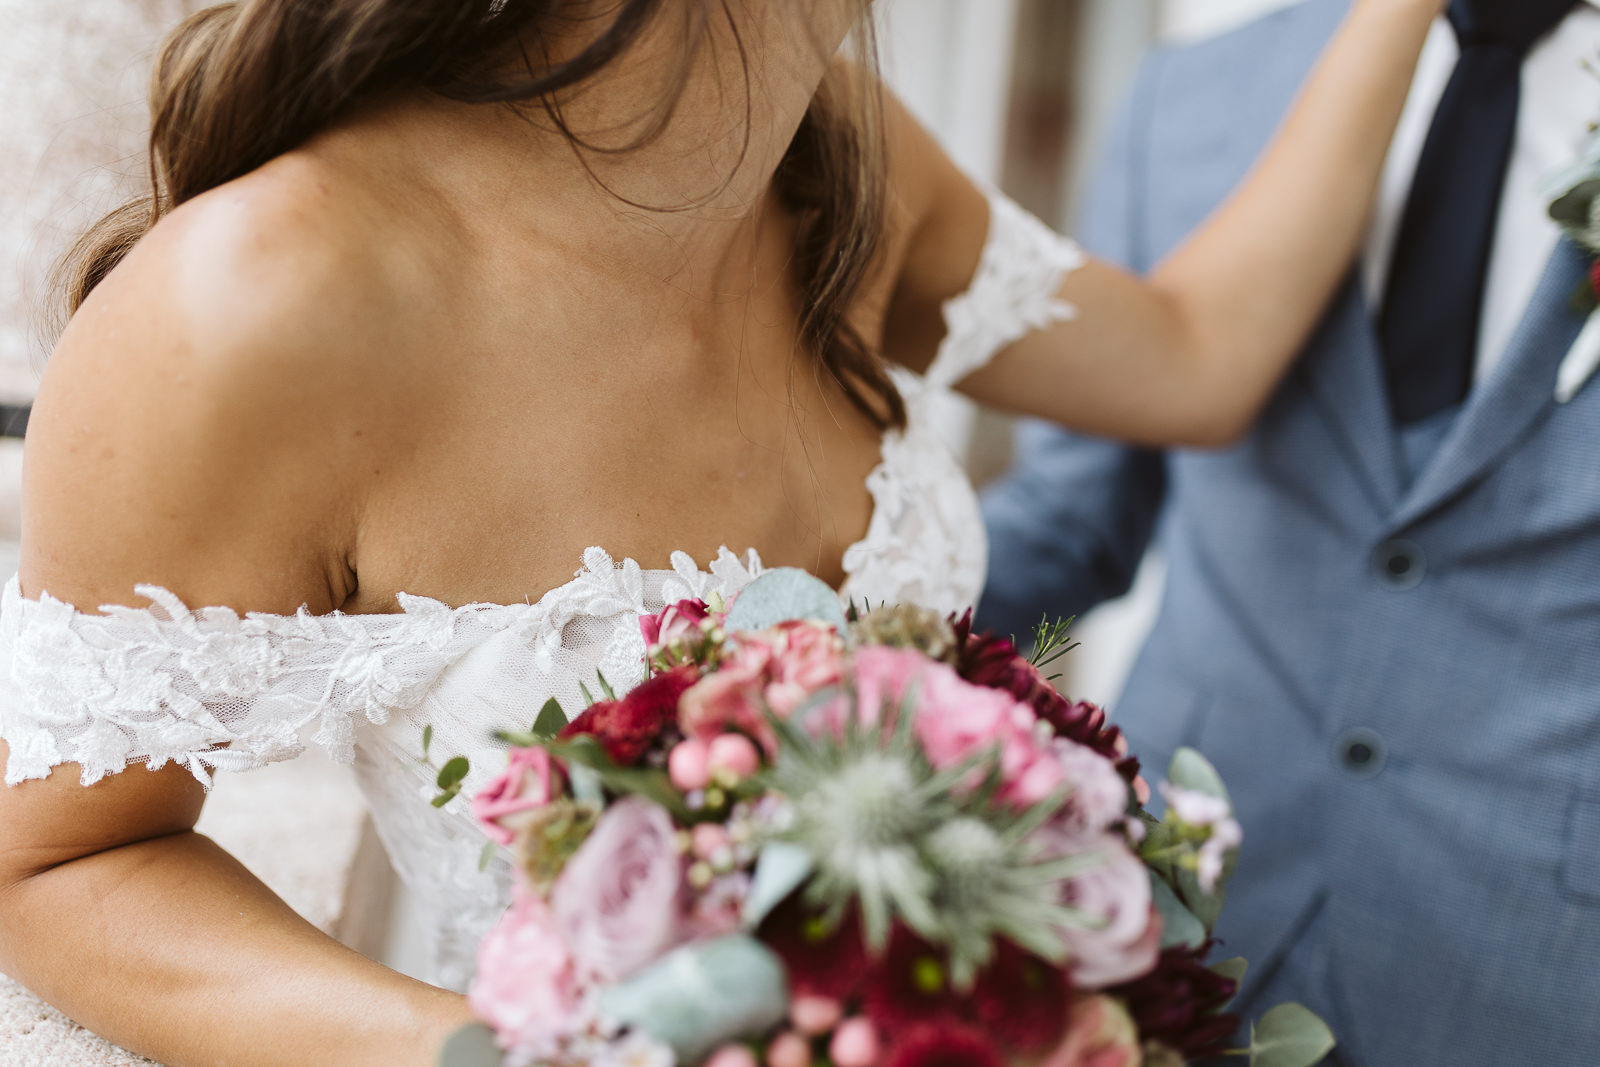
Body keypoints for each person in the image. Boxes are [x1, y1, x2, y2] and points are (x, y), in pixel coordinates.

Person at [0, 0, 1439, 1064]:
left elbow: (1192, 356)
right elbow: (54, 871)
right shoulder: (263, 297)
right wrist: (529, 1052)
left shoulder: (843, 161)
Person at [979, 0, 1600, 1063]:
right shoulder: (1192, 96)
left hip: (1538, 976)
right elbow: (1072, 520)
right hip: (1167, 933)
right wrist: (784, 660)